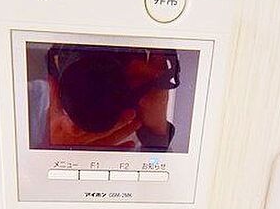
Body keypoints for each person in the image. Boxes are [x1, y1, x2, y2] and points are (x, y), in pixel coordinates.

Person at [29, 45, 178, 151]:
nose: (95, 74)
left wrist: (155, 133)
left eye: (120, 50)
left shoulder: (143, 103)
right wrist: (49, 149)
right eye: (73, 47)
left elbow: (169, 178)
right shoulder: (27, 100)